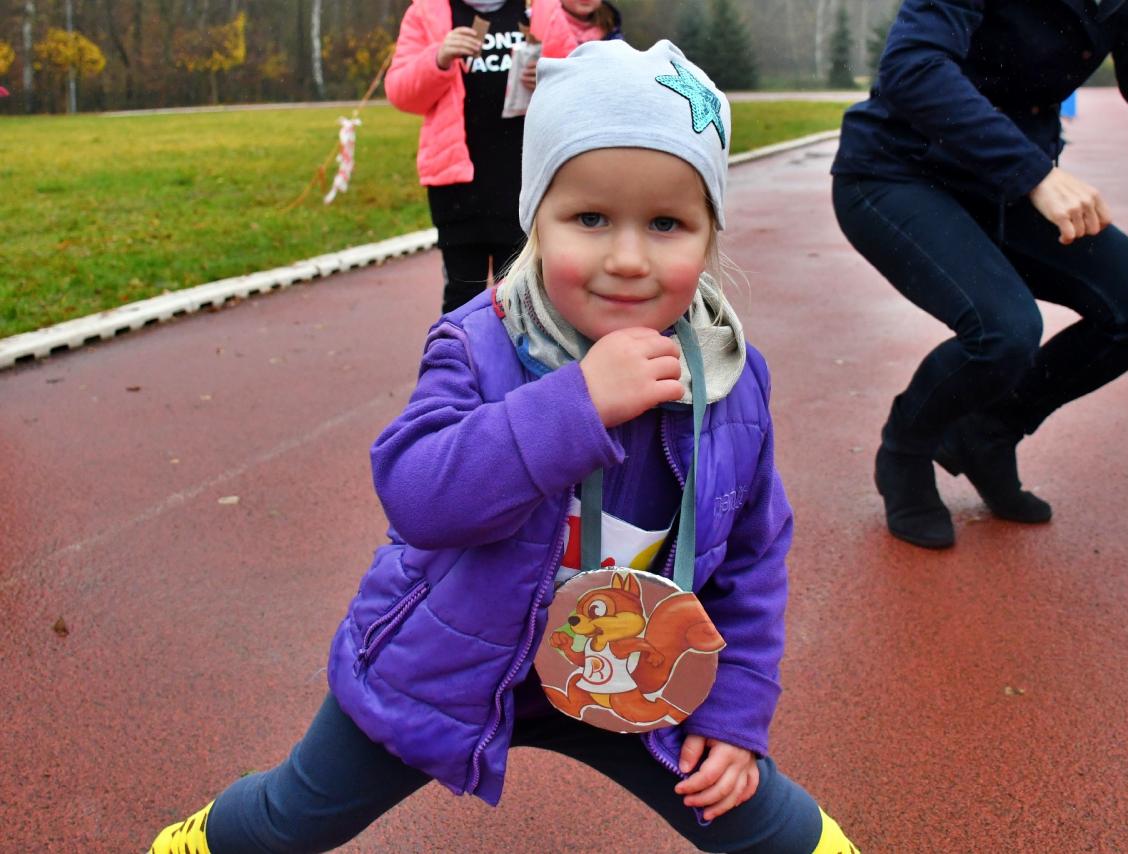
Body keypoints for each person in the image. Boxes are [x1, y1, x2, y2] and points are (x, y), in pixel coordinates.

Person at [149, 40, 858, 854]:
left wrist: (735, 712)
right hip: (443, 663)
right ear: (535, 219)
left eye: (667, 224)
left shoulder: (731, 379)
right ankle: (191, 843)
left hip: (624, 672)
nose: (627, 258)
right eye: (590, 218)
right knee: (293, 816)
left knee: (771, 827)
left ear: (709, 234)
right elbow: (416, 492)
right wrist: (575, 403)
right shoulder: (478, 344)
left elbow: (755, 558)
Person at [831, 0, 1128, 550]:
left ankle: (987, 433)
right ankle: (907, 448)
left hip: (1004, 184)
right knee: (1003, 331)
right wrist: (1035, 173)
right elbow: (910, 67)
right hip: (899, 172)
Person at [380, 0, 526, 315]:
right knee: (463, 298)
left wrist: (545, 75)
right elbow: (400, 92)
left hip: (523, 181)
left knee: (520, 300)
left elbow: (574, 65)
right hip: (458, 186)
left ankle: (515, 366)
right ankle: (455, 363)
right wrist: (439, 57)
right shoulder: (428, 11)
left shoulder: (537, 8)